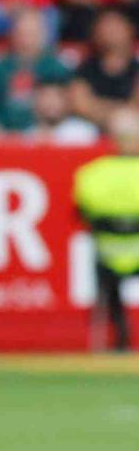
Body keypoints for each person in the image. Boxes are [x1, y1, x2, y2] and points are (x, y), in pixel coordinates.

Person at [74, 109, 139, 352]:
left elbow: (82, 214)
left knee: (106, 277)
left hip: (109, 256)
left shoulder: (93, 174)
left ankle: (121, 332)